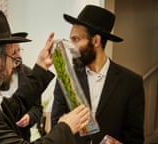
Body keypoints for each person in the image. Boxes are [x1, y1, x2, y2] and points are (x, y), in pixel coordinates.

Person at [0, 10, 90, 144]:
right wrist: (65, 127)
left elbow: (14, 107)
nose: (14, 64)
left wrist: (41, 67)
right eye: (12, 56)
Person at [51, 5, 145, 144]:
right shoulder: (66, 79)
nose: (70, 47)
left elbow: (135, 138)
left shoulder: (131, 82)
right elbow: (56, 127)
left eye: (76, 40)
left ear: (95, 41)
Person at [0, 32, 43, 141]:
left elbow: (37, 108)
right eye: (14, 52)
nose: (19, 56)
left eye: (19, 50)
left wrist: (29, 117)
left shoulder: (29, 74)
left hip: (22, 136)